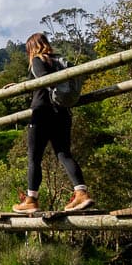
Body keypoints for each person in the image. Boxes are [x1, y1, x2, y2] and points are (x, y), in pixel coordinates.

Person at [10, 32, 94, 213]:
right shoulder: (59, 62)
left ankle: (31, 199)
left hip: (41, 114)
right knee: (64, 154)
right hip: (62, 113)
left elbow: (43, 79)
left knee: (34, 157)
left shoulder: (38, 60)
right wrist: (19, 86)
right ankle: (81, 193)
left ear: (32, 48)